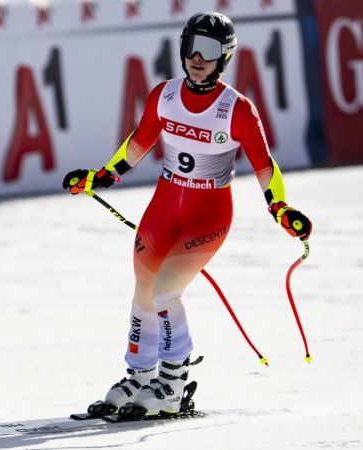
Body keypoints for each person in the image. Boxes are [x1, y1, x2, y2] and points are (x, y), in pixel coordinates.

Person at [62, 11, 312, 418]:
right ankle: (140, 375)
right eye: (192, 46)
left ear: (225, 57)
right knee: (144, 286)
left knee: (164, 290)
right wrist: (102, 177)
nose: (198, 56)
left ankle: (174, 383)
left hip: (208, 214)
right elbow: (140, 141)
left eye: (210, 50)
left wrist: (279, 207)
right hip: (165, 204)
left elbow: (265, 165)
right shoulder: (165, 94)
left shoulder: (237, 109)